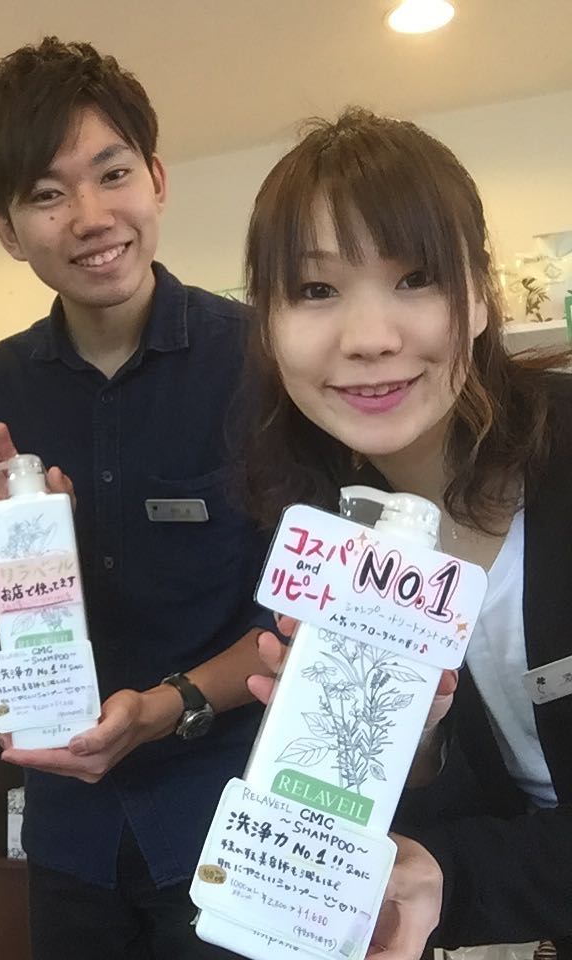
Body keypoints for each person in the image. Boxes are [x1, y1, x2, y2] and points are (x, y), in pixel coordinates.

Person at [0, 36, 272, 960]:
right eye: (48, 194)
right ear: (9, 231)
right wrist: (21, 565)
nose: (90, 217)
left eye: (112, 173)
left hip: (229, 824)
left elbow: (296, 611)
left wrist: (169, 704)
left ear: (156, 179)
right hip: (69, 832)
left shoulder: (257, 361)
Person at [239, 107, 572, 960]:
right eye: (316, 291)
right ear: (266, 323)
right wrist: (409, 745)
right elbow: (459, 819)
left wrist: (455, 878)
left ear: (482, 295)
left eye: (416, 277)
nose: (370, 339)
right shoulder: (331, 535)